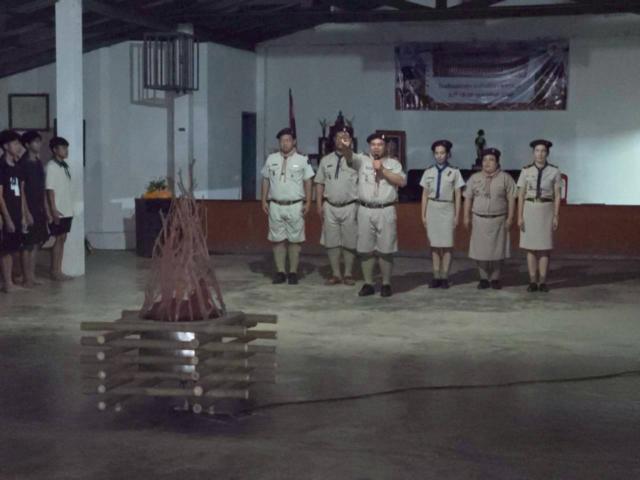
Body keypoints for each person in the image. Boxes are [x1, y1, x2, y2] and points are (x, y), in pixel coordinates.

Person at [350, 132, 406, 297]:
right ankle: (368, 283)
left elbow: (402, 181)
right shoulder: (361, 160)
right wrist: (345, 144)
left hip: (385, 210)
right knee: (365, 249)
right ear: (369, 146)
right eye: (373, 144)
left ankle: (386, 283)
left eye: (380, 144)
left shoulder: (393, 163)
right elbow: (347, 156)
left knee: (385, 250)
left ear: (385, 146)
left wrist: (382, 170)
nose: (376, 147)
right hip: (365, 209)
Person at [260, 127, 314, 285]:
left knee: (295, 240)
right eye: (282, 140)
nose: (285, 143)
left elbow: (308, 181)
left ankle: (293, 272)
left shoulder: (302, 160)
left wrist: (308, 202)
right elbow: (265, 180)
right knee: (277, 240)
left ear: (294, 142)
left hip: (295, 205)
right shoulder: (271, 159)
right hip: (275, 205)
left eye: (288, 140)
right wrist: (263, 200)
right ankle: (280, 272)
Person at [463, 148, 516, 289]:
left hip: (499, 220)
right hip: (479, 219)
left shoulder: (505, 178)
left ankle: (495, 279)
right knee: (480, 251)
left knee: (498, 252)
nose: (487, 163)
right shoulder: (474, 178)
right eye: (485, 160)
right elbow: (468, 198)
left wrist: (510, 217)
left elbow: (512, 199)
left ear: (497, 162)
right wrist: (466, 217)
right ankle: (483, 279)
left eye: (491, 160)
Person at [314, 127, 359, 286]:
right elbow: (319, 183)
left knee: (349, 241)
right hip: (330, 206)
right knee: (331, 242)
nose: (341, 140)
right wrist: (318, 205)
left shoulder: (357, 160)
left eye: (345, 137)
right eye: (338, 137)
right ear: (334, 140)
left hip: (350, 206)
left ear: (350, 141)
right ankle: (336, 274)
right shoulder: (326, 160)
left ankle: (348, 273)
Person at [517, 139, 562, 292]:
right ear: (533, 153)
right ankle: (532, 281)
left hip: (546, 209)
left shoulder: (554, 171)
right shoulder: (526, 171)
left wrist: (556, 215)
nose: (540, 154)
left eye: (543, 151)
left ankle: (542, 281)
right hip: (529, 209)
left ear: (547, 153)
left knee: (544, 248)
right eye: (537, 151)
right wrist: (519, 216)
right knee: (530, 248)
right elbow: (521, 195)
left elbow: (557, 195)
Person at [420, 140, 465, 289]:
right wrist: (423, 215)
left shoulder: (455, 172)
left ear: (448, 154)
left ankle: (445, 276)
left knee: (447, 245)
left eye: (442, 153)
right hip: (432, 208)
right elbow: (424, 194)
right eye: (436, 153)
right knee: (434, 245)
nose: (439, 156)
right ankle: (436, 276)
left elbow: (458, 195)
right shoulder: (428, 171)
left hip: (447, 208)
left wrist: (457, 215)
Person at [19, 131, 51, 287]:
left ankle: (32, 275)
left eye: (40, 141)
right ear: (27, 145)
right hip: (28, 208)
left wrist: (46, 209)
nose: (39, 144)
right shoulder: (23, 164)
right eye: (36, 142)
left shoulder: (38, 163)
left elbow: (42, 188)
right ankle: (26, 278)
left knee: (37, 242)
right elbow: (21, 190)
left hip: (39, 208)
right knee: (27, 244)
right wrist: (26, 212)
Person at [0, 129, 27, 292]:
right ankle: (8, 284)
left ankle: (10, 280)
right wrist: (7, 218)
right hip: (5, 215)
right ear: (5, 146)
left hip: (17, 212)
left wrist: (23, 215)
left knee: (13, 248)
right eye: (15, 143)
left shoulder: (17, 167)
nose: (18, 147)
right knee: (6, 249)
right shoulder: (1, 166)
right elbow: (0, 196)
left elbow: (21, 192)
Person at [46, 136, 74, 281]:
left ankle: (59, 269)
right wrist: (53, 210)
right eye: (63, 148)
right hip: (58, 210)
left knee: (63, 238)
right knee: (57, 239)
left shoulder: (64, 166)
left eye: (66, 148)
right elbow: (50, 190)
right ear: (54, 150)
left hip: (67, 209)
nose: (66, 150)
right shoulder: (51, 166)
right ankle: (55, 271)